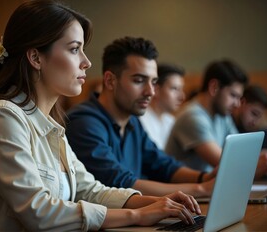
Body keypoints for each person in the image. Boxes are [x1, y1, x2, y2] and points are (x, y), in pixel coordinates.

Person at [0, 0, 200, 231]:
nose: (86, 62)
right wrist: (136, 215)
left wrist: (157, 202)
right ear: (35, 57)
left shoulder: (50, 123)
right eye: (74, 49)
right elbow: (39, 212)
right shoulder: (1, 118)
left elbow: (88, 189)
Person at [66, 36, 215, 199]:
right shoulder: (83, 122)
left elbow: (164, 165)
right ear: (110, 81)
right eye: (139, 80)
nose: (150, 92)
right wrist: (202, 189)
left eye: (153, 82)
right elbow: (120, 183)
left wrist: (206, 178)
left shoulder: (132, 121)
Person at [165, 60, 267, 179]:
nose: (237, 104)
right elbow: (226, 165)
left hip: (204, 192)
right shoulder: (191, 117)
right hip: (184, 194)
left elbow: (240, 153)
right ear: (214, 87)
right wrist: (260, 161)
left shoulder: (222, 116)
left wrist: (263, 158)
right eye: (233, 95)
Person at [139, 63, 185, 149]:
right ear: (156, 90)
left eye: (181, 89)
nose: (182, 97)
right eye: (174, 89)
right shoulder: (140, 121)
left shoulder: (170, 121)